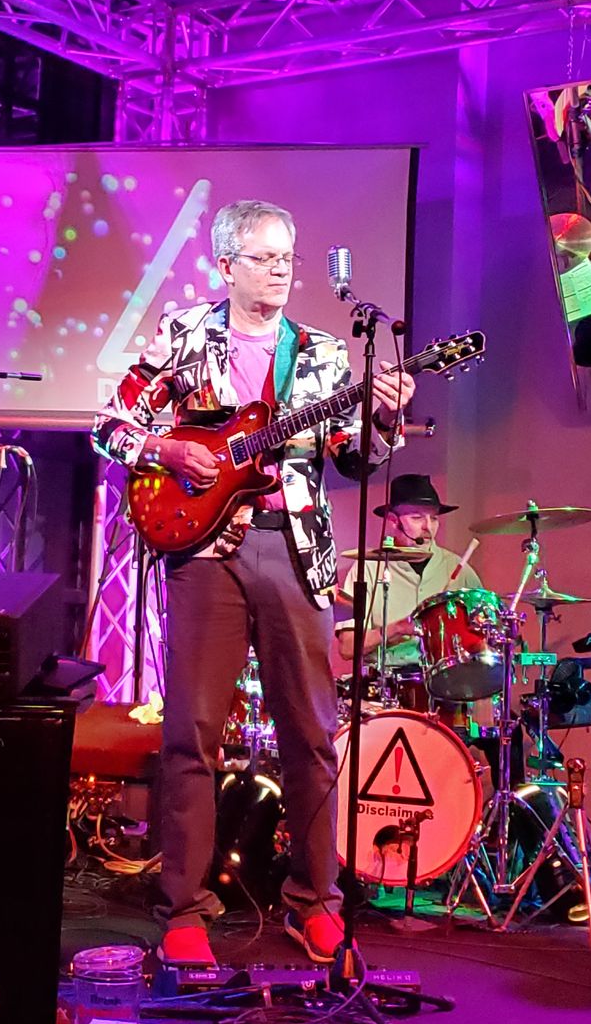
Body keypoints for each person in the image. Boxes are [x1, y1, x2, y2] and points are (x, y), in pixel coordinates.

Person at [92, 199, 414, 969]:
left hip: (295, 551)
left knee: (311, 736)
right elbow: (108, 426)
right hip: (205, 554)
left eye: (287, 258)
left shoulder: (323, 353)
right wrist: (168, 450)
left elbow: (353, 460)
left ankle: (316, 902)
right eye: (265, 258)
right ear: (226, 264)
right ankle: (184, 909)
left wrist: (383, 420)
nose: (280, 272)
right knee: (190, 735)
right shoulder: (183, 334)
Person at [332, 473, 482, 671]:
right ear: (393, 520)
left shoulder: (458, 568)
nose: (428, 527)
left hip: (445, 679)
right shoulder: (369, 568)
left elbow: (483, 638)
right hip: (385, 680)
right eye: (417, 517)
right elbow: (347, 647)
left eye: (434, 518)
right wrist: (395, 629)